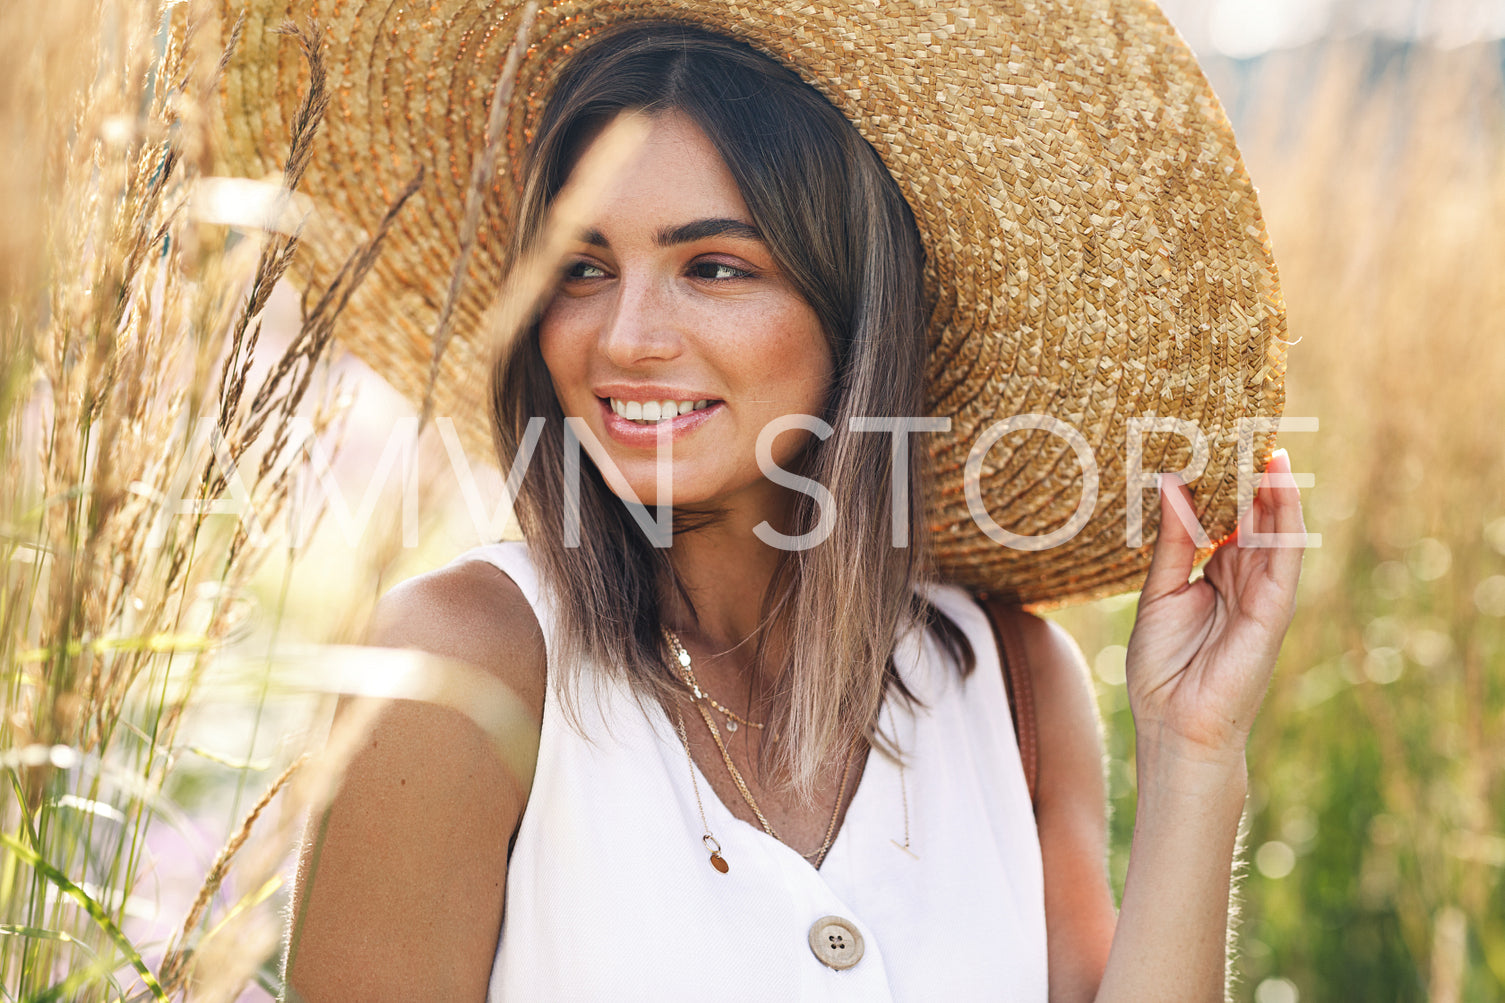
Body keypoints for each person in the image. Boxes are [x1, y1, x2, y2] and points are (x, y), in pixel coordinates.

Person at [220, 6, 1305, 1002]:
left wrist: (1190, 752)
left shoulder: (1012, 685)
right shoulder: (460, 668)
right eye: (583, 267)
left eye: (714, 266)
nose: (624, 338)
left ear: (853, 312)